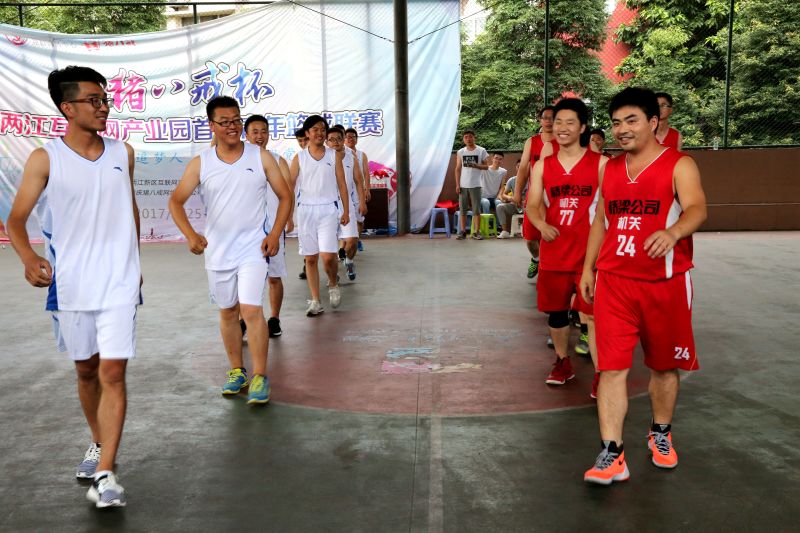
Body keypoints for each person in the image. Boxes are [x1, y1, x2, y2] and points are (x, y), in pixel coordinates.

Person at [6, 65, 141, 507]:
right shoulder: (45, 159)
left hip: (119, 280)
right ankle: (98, 442)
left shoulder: (123, 152)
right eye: (93, 100)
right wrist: (29, 257)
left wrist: (135, 260)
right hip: (71, 284)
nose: (103, 107)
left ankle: (106, 473)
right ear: (67, 107)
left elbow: (130, 208)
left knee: (113, 372)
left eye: (105, 99)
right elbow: (16, 220)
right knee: (86, 370)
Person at [580, 87, 707, 485]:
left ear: (653, 122)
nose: (622, 129)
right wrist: (588, 269)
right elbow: (601, 220)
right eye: (616, 122)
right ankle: (612, 452)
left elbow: (697, 208)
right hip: (614, 281)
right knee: (611, 368)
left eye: (631, 120)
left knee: (664, 366)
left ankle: (660, 432)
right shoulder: (610, 169)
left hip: (664, 283)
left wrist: (673, 232)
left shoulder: (679, 164)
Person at [169, 96, 292, 405]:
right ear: (212, 125)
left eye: (237, 120)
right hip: (218, 251)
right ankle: (237, 370)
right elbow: (176, 201)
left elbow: (285, 196)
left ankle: (260, 376)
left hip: (253, 247)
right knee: (227, 311)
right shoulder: (202, 163)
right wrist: (190, 235)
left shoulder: (260, 157)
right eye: (225, 122)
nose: (233, 127)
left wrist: (275, 233)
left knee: (251, 309)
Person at [527, 98, 608, 396]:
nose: (561, 127)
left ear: (582, 127)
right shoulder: (543, 166)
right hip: (555, 254)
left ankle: (601, 374)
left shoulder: (601, 164)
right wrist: (541, 224)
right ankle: (563, 362)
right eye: (557, 121)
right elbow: (533, 205)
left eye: (569, 122)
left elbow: (607, 212)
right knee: (557, 313)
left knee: (593, 317)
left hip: (590, 256)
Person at [289, 115, 349, 316]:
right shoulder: (299, 158)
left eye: (323, 129)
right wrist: (288, 216)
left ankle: (332, 283)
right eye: (315, 129)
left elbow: (342, 184)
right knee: (311, 258)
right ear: (307, 133)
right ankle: (315, 301)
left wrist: (346, 211)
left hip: (328, 210)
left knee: (329, 256)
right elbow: (289, 187)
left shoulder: (333, 155)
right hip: (306, 211)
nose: (320, 133)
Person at [243, 114, 293, 337]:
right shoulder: (238, 161)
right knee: (245, 277)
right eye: (255, 132)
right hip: (245, 230)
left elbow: (288, 193)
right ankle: (245, 320)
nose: (260, 136)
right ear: (246, 135)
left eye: (264, 131)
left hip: (273, 228)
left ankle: (274, 318)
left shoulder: (278, 161)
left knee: (274, 276)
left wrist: (288, 218)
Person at [514, 106, 559, 278]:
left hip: (557, 198)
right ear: (540, 120)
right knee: (531, 238)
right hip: (535, 197)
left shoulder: (564, 142)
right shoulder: (532, 142)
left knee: (555, 236)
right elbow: (523, 169)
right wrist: (517, 192)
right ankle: (537, 259)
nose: (548, 121)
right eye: (545, 117)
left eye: (552, 117)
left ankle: (551, 269)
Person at [327, 127, 366, 281]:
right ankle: (332, 275)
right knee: (328, 244)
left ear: (344, 139)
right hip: (327, 204)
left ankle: (349, 261)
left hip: (346, 203)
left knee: (352, 240)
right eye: (332, 139)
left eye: (339, 138)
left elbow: (359, 181)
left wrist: (362, 202)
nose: (335, 142)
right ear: (326, 142)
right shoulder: (323, 158)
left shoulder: (351, 157)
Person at [454, 130, 489, 239]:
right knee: (463, 209)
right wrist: (457, 184)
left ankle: (476, 232)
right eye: (466, 137)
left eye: (470, 137)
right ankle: (463, 231)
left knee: (476, 209)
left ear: (474, 138)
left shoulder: (481, 150)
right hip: (463, 185)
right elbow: (458, 169)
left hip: (476, 184)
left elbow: (487, 166)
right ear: (463, 139)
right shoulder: (461, 152)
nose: (468, 139)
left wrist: (476, 165)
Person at [344, 127, 370, 252]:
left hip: (358, 190)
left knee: (360, 216)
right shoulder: (339, 154)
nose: (350, 139)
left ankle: (357, 239)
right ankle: (345, 244)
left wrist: (367, 190)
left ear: (356, 139)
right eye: (347, 137)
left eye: (353, 137)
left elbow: (366, 173)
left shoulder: (361, 155)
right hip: (344, 190)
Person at [295, 128, 310, 280]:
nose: (303, 143)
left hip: (327, 206)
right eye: (300, 141)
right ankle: (307, 265)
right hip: (304, 206)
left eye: (305, 140)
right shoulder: (298, 158)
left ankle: (333, 272)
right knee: (306, 238)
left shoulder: (327, 155)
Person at [495, 160, 522, 238]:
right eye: (518, 166)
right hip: (514, 205)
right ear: (516, 167)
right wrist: (510, 198)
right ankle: (505, 231)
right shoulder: (512, 180)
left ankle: (526, 230)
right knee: (500, 206)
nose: (520, 168)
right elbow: (503, 194)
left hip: (527, 206)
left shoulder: (532, 179)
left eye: (522, 167)